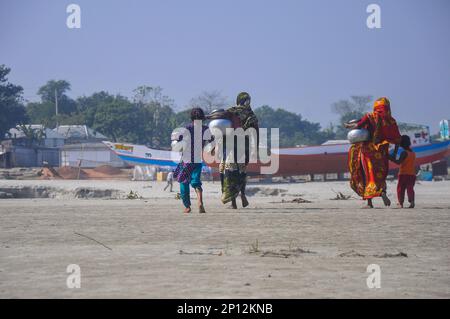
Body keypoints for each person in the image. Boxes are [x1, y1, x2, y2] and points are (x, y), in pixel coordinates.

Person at [345, 97, 401, 208]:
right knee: (379, 176)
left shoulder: (370, 116)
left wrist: (348, 126)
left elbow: (358, 125)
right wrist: (394, 154)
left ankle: (370, 202)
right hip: (382, 152)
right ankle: (382, 192)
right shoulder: (391, 121)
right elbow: (397, 139)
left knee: (367, 175)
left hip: (368, 152)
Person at [220, 92, 259, 209]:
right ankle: (242, 194)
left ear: (238, 100)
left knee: (229, 172)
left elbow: (220, 122)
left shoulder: (231, 112)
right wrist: (255, 149)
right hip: (245, 147)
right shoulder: (252, 115)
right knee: (241, 172)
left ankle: (233, 202)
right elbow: (256, 134)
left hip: (232, 145)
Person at [173, 108, 210, 214]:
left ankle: (187, 206)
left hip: (186, 160)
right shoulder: (205, 129)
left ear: (192, 117)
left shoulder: (188, 128)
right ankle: (200, 202)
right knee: (196, 182)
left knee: (184, 182)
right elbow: (211, 139)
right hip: (198, 160)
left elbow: (178, 138)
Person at [389, 135, 416, 208]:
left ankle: (401, 203)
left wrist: (390, 158)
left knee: (400, 189)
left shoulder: (404, 153)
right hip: (412, 174)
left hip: (403, 174)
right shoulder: (413, 153)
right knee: (410, 188)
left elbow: (398, 162)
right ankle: (412, 201)